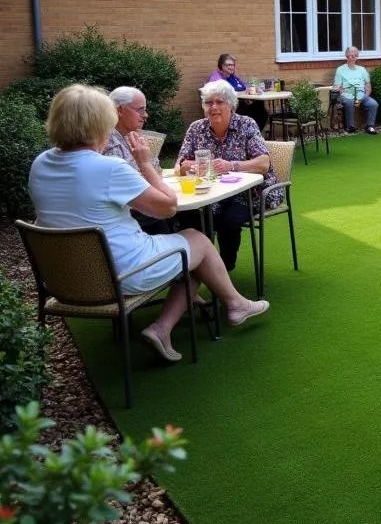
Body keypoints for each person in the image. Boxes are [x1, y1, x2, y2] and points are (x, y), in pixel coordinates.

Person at [28, 84, 268, 363]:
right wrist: (144, 163)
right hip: (120, 274)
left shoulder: (40, 164)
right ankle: (198, 316)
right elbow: (167, 207)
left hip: (63, 278)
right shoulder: (109, 168)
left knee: (188, 246)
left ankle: (218, 307)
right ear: (98, 124)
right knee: (197, 242)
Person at [175, 80, 283, 271]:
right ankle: (199, 269)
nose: (213, 107)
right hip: (212, 193)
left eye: (219, 102)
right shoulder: (196, 128)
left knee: (227, 221)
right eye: (209, 103)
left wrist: (231, 165)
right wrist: (192, 166)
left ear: (231, 105)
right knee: (189, 216)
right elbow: (180, 166)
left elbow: (264, 163)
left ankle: (223, 269)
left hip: (251, 193)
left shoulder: (246, 124)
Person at [103, 86, 175, 234]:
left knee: (184, 219)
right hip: (130, 220)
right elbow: (134, 188)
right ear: (120, 110)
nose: (146, 115)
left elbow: (157, 172)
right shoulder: (109, 143)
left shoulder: (135, 136)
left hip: (141, 211)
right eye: (140, 110)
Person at [210, 53, 266, 132]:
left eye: (233, 65)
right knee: (255, 113)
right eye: (228, 65)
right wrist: (238, 93)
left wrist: (249, 89)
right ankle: (249, 135)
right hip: (230, 107)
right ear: (221, 65)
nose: (231, 67)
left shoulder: (233, 76)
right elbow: (219, 92)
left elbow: (244, 85)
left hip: (241, 103)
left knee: (260, 108)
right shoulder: (216, 77)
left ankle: (254, 135)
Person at [332, 46, 379, 134]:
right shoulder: (340, 70)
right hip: (346, 95)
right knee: (349, 103)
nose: (353, 56)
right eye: (351, 54)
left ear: (357, 57)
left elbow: (368, 87)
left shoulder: (362, 70)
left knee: (373, 104)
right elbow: (337, 86)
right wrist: (340, 90)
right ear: (347, 56)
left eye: (355, 54)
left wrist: (361, 98)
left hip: (361, 95)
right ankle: (350, 127)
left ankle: (370, 126)